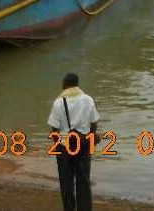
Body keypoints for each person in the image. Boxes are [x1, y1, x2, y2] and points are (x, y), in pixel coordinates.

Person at [48, 72, 100, 211]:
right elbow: (94, 123)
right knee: (83, 182)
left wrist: (58, 147)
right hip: (83, 145)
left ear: (65, 84)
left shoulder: (58, 102)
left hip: (65, 147)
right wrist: (90, 139)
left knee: (66, 183)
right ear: (77, 84)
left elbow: (54, 129)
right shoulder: (88, 100)